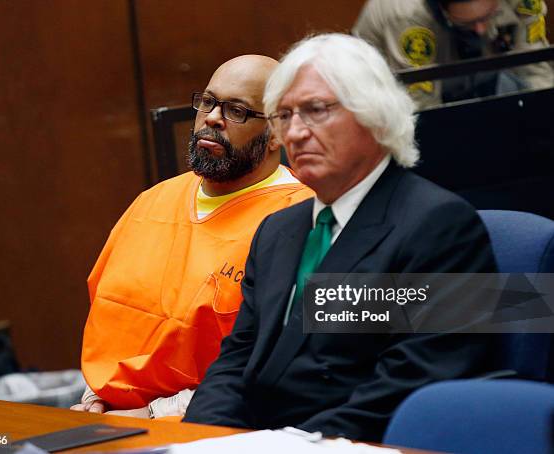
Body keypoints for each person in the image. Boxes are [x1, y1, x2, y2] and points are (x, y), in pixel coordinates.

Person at [183, 34, 499, 441]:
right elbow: (235, 363)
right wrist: (201, 440)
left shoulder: (441, 226)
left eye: (315, 112)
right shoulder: (278, 231)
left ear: (375, 117)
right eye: (284, 115)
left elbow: (412, 383)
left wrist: (285, 446)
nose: (295, 133)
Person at [71, 55, 313, 418]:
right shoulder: (152, 202)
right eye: (209, 102)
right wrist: (96, 400)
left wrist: (152, 413)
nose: (212, 118)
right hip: (111, 418)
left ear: (278, 132)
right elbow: (107, 326)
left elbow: (281, 374)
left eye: (237, 111)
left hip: (217, 425)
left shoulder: (302, 219)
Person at [353, 0, 554, 108]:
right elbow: (422, 102)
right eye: (468, 22)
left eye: (487, 16)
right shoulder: (404, 14)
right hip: (396, 88)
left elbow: (535, 64)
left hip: (481, 71)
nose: (481, 29)